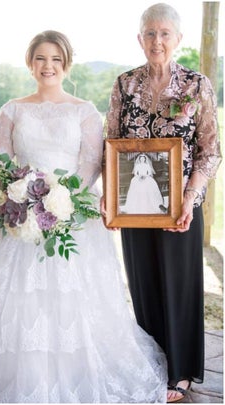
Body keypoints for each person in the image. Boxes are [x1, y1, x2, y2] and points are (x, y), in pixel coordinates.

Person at [0, 30, 167, 402]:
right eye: (40, 58)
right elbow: (1, 163)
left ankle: (78, 374)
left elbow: (90, 163)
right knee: (23, 300)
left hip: (72, 216)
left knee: (75, 298)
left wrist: (61, 197)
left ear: (66, 64)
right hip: (20, 218)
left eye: (55, 59)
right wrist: (23, 198)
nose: (47, 66)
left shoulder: (84, 110)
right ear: (30, 63)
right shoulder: (12, 110)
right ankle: (23, 380)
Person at [105, 3, 221, 402]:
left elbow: (209, 151)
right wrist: (111, 198)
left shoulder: (196, 85)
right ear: (140, 39)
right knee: (144, 284)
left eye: (165, 33)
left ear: (178, 39)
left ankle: (180, 372)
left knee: (179, 285)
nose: (157, 41)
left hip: (181, 208)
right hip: (134, 207)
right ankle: (151, 363)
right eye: (150, 33)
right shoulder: (124, 85)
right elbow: (112, 145)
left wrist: (190, 199)